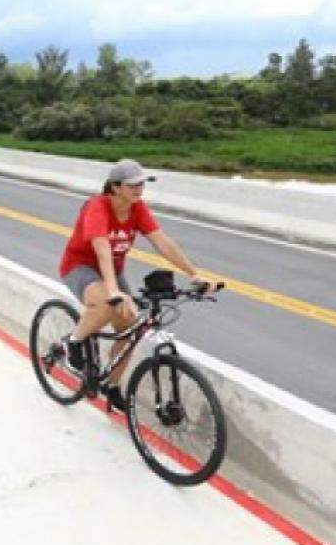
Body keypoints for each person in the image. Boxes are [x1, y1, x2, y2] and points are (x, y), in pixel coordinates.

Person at [58, 158, 217, 411]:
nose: (139, 188)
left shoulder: (138, 208)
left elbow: (162, 242)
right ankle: (73, 342)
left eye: (142, 183)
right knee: (105, 305)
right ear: (116, 186)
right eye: (133, 185)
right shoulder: (97, 207)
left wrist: (193, 274)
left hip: (112, 270)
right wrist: (113, 291)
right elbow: (102, 251)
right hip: (81, 267)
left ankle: (112, 386)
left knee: (130, 326)